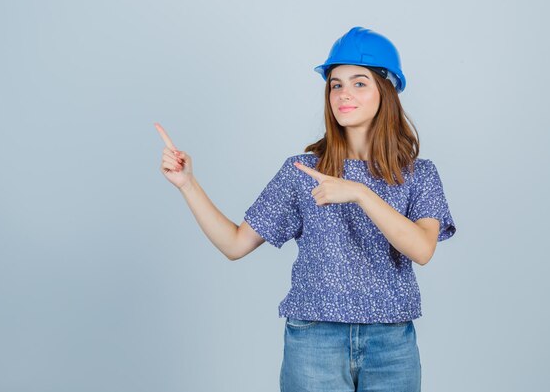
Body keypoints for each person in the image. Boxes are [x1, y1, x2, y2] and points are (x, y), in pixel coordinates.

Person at [155, 25, 456, 392]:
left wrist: (360, 193)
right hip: (316, 341)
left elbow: (422, 248)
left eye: (359, 82)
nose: (344, 94)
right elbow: (234, 244)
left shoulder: (418, 175)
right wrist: (188, 184)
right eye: (336, 84)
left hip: (391, 344)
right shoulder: (302, 172)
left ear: (386, 91)